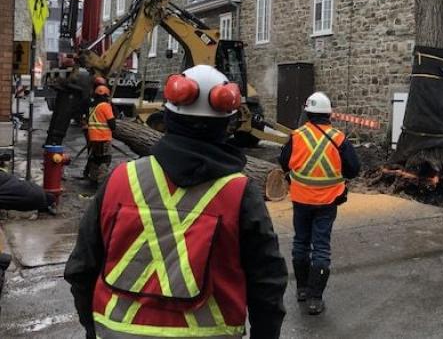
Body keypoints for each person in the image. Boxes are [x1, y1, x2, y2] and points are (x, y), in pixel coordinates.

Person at [65, 65, 288, 339]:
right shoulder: (240, 193)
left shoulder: (121, 180)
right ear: (227, 124)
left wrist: (92, 328)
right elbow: (267, 286)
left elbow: (81, 268)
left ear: (168, 115)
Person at [279, 92, 360, 315]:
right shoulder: (339, 138)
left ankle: (302, 290)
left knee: (300, 243)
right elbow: (354, 169)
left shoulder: (297, 136)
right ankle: (315, 299)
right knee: (321, 248)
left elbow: (283, 162)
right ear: (329, 114)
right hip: (327, 202)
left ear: (307, 113)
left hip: (301, 200)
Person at [84, 85, 116, 184]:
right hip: (103, 138)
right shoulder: (105, 106)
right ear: (106, 95)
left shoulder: (92, 107)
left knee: (96, 159)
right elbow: (112, 124)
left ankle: (93, 178)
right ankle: (102, 182)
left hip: (93, 138)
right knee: (105, 160)